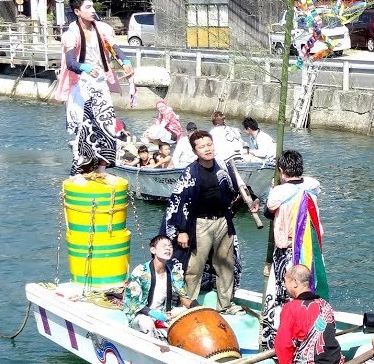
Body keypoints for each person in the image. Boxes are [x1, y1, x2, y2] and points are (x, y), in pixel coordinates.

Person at [163, 130, 255, 315]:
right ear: (195, 151)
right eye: (202, 147)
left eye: (209, 145)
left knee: (226, 265)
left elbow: (239, 186)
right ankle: (188, 306)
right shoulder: (190, 172)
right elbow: (180, 201)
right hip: (200, 224)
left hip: (223, 221)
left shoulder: (223, 167)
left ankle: (225, 305)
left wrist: (253, 198)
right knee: (194, 268)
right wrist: (182, 230)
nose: (207, 149)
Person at [56, 0, 132, 175]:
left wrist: (126, 62)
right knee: (83, 127)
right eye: (88, 7)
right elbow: (71, 63)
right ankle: (79, 171)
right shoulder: (71, 34)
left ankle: (102, 169)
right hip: (81, 84)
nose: (92, 11)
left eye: (93, 7)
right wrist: (85, 67)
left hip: (100, 83)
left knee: (107, 125)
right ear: (77, 11)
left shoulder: (102, 29)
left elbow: (114, 49)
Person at [259, 150, 326, 350]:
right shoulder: (311, 186)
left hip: (288, 250)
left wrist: (275, 187)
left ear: (281, 170)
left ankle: (280, 336)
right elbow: (311, 183)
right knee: (308, 287)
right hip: (309, 250)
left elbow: (268, 211)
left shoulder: (278, 192)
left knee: (283, 292)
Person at [257, 264, 341, 364]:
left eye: (286, 282)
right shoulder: (325, 304)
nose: (285, 286)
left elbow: (284, 350)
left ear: (295, 283)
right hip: (335, 363)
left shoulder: (291, 308)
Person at [122, 234, 192, 339]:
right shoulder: (140, 271)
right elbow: (133, 303)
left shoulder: (174, 272)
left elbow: (183, 296)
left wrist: (197, 307)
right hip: (143, 314)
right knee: (145, 322)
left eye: (170, 246)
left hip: (163, 312)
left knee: (186, 314)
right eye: (164, 246)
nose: (168, 248)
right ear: (153, 250)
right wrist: (154, 314)